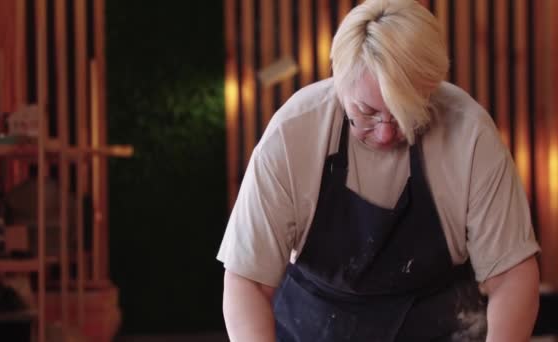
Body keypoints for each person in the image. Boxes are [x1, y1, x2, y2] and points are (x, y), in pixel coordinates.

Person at [216, 0, 541, 341]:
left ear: (431, 86)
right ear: (340, 83)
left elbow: (512, 277)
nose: (386, 133)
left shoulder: (470, 136)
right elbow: (247, 281)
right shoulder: (293, 134)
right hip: (311, 328)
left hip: (441, 328)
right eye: (366, 111)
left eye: (405, 113)